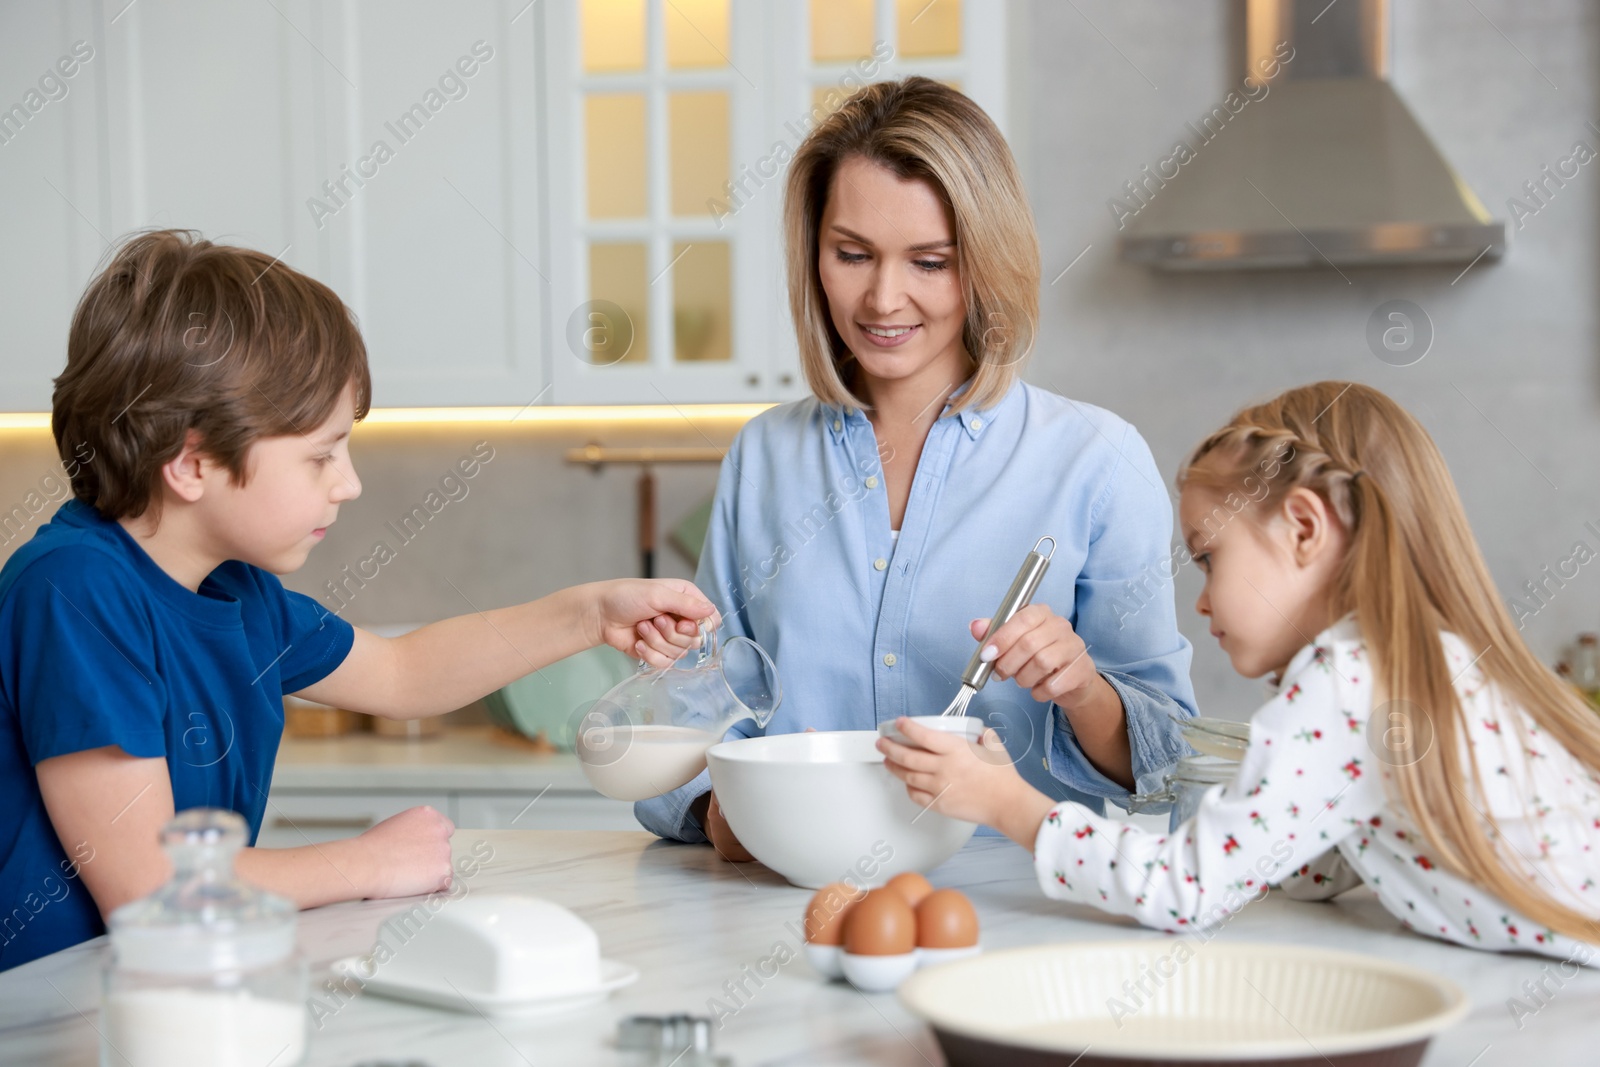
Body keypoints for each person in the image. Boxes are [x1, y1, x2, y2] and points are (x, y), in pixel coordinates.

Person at [0, 230, 717, 971]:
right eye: (320, 455)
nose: (348, 482)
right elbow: (151, 888)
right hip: (48, 1016)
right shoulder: (74, 591)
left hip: (154, 992)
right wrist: (365, 862)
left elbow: (404, 673)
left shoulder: (235, 591)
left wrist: (591, 613)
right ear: (192, 462)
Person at [636, 77, 1197, 853]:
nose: (883, 298)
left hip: (1018, 924)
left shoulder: (1097, 464)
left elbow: (1169, 761)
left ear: (986, 264)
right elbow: (684, 723)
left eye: (929, 262)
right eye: (852, 254)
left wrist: (1084, 691)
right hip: (790, 908)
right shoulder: (764, 457)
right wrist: (712, 816)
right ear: (814, 255)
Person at [880, 381, 1600, 957]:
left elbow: (1183, 889)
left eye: (1208, 557)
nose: (1198, 599)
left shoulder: (1348, 681)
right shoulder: (1412, 666)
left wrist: (1003, 800)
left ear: (1306, 528)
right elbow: (1326, 855)